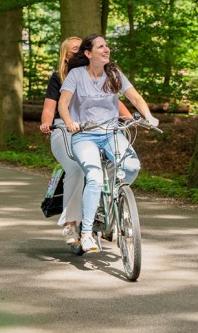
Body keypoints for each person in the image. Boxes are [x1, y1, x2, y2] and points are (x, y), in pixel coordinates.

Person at [58, 34, 158, 253]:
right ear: (88, 53)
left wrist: (147, 116)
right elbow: (63, 104)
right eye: (100, 46)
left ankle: (114, 197)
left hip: (112, 133)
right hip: (84, 135)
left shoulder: (113, 73)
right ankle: (85, 234)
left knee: (132, 166)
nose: (106, 49)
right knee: (93, 176)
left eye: (107, 46)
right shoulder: (75, 74)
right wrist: (69, 122)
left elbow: (135, 98)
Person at [40, 37, 130, 246]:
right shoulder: (59, 77)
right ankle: (71, 223)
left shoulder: (100, 74)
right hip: (65, 128)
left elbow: (114, 103)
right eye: (75, 50)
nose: (79, 52)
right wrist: (46, 123)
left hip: (96, 127)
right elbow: (49, 108)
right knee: (78, 169)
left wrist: (130, 118)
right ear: (66, 55)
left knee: (112, 164)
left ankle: (108, 212)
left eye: (82, 49)